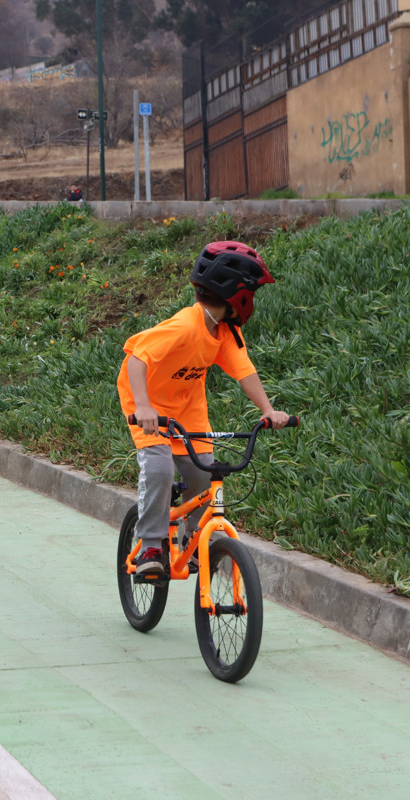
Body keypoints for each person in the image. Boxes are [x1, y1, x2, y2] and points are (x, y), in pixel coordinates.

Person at [116, 240, 290, 579]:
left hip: (187, 407)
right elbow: (136, 359)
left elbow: (245, 373)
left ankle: (196, 541)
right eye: (251, 293)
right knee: (160, 470)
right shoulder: (185, 325)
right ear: (236, 293)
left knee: (203, 472)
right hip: (146, 405)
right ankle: (151, 544)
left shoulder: (225, 331)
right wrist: (146, 407)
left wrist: (269, 410)